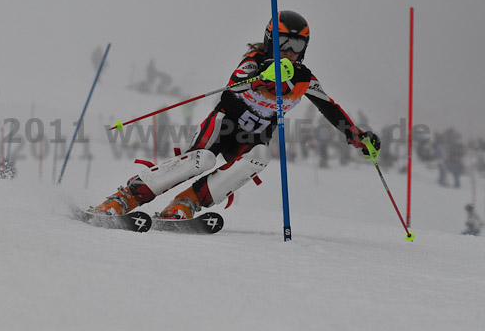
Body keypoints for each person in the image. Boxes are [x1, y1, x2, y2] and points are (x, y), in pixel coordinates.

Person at [93, 11, 381, 219]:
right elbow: (235, 81)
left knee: (260, 157)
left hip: (253, 135)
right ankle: (128, 195)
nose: (290, 52)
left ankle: (187, 202)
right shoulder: (254, 62)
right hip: (223, 124)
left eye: (297, 46)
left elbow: (329, 107)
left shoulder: (305, 79)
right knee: (201, 159)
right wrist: (264, 74)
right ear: (270, 40)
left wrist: (357, 136)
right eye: (284, 43)